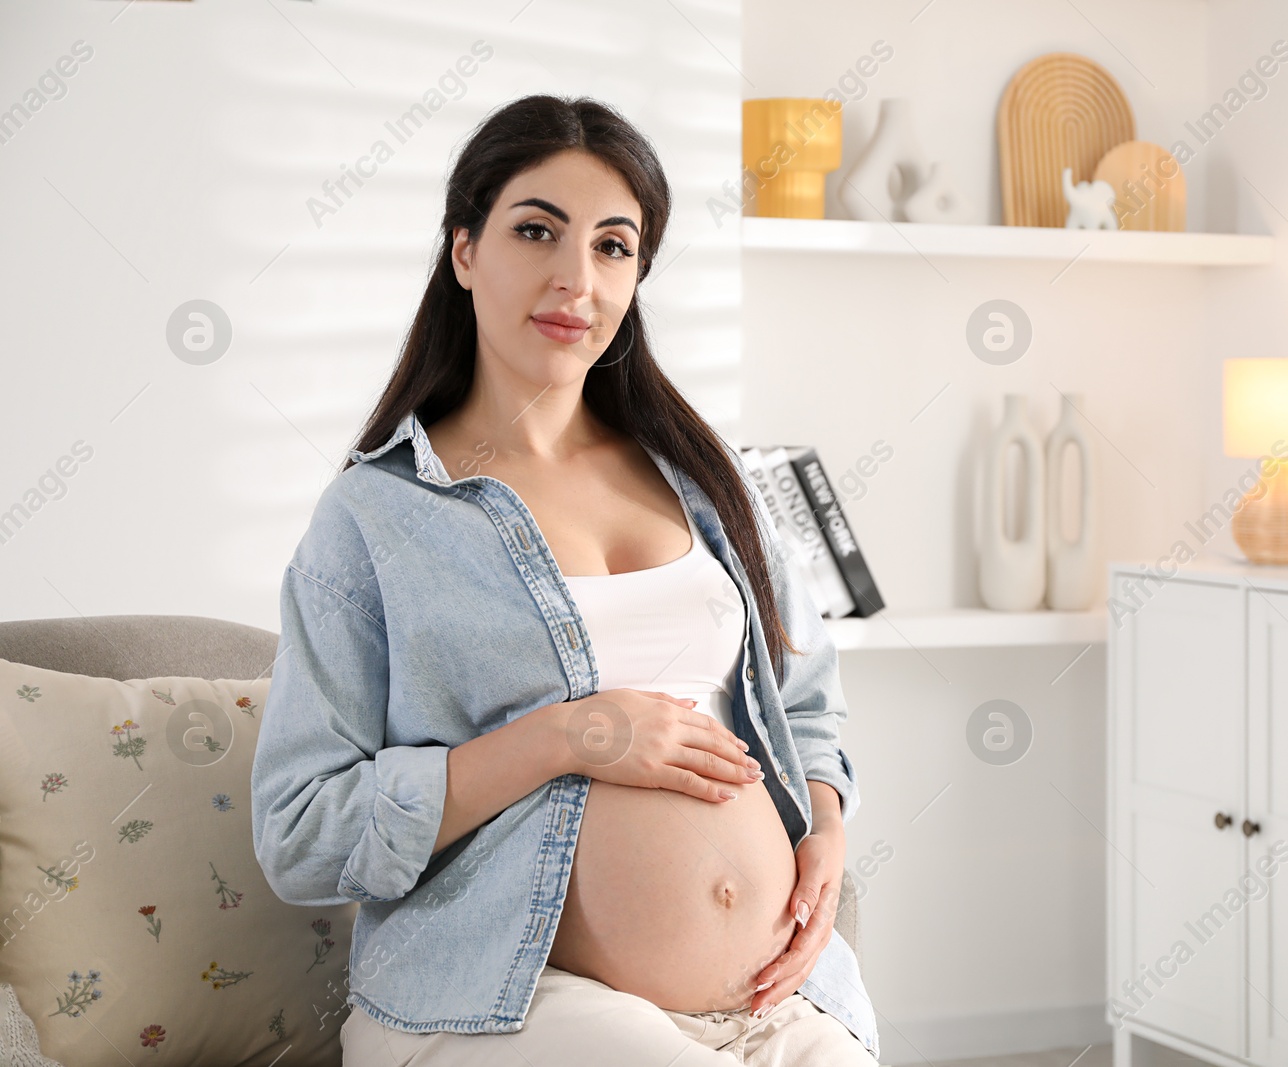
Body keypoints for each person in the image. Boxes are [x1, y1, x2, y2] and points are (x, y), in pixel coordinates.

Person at [248, 94, 880, 1065]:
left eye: (613, 245)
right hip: (498, 997)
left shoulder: (705, 482)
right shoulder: (375, 517)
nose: (575, 278)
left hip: (770, 999)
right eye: (536, 229)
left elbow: (807, 702)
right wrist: (567, 736)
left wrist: (825, 833)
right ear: (464, 250)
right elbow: (301, 830)